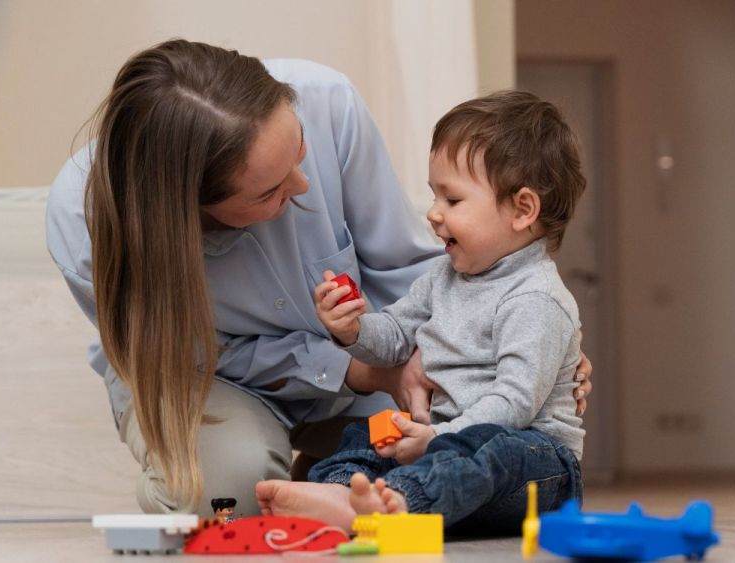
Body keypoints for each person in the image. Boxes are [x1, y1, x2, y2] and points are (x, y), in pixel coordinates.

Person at [46, 39, 593, 518]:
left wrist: (514, 351)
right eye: (269, 192)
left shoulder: (327, 101)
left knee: (420, 450)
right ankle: (309, 488)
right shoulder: (83, 227)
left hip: (400, 388)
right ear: (192, 208)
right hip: (204, 375)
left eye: (300, 152)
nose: (304, 185)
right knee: (227, 501)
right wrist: (359, 363)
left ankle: (331, 485)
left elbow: (409, 274)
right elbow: (188, 354)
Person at [256, 91, 588, 535]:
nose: (433, 214)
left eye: (452, 200)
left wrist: (437, 438)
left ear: (523, 209)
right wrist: (352, 329)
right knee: (367, 434)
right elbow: (395, 337)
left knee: (493, 451)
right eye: (434, 196)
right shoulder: (443, 277)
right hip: (445, 442)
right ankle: (341, 491)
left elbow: (514, 403)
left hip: (537, 464)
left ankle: (399, 504)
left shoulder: (536, 297)